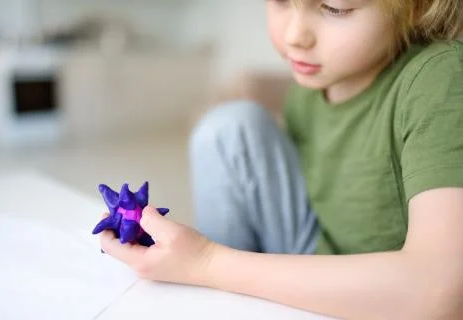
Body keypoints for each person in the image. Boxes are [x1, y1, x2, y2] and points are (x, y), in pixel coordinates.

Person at [98, 1, 463, 318]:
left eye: (335, 8)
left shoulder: (441, 78)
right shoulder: (310, 89)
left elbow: (441, 291)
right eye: (280, 0)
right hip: (319, 252)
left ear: (415, 6)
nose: (294, 37)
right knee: (229, 127)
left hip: (393, 300)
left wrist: (208, 261)